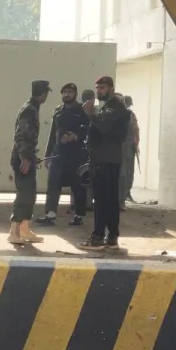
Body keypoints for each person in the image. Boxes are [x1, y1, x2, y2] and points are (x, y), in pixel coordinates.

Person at [78, 75, 130, 251]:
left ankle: (98, 237)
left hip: (106, 159)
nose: (98, 91)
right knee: (109, 199)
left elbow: (104, 127)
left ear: (111, 88)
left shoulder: (114, 107)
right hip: (105, 158)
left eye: (102, 88)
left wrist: (89, 113)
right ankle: (112, 237)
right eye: (97, 88)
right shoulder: (108, 107)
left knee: (101, 199)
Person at [36, 82, 90, 227]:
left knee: (77, 185)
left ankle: (78, 215)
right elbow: (53, 134)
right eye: (64, 92)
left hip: (76, 155)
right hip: (58, 154)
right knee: (53, 182)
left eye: (70, 92)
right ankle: (50, 214)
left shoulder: (82, 111)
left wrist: (76, 136)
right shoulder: (58, 111)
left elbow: (88, 130)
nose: (67, 95)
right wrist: (48, 153)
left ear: (75, 94)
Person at [8, 81, 50, 247]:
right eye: (46, 92)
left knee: (30, 193)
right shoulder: (29, 110)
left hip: (27, 155)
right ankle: (14, 231)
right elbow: (21, 135)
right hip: (22, 157)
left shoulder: (32, 108)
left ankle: (25, 228)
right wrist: (25, 157)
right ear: (43, 93)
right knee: (24, 193)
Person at [120, 95, 141, 208]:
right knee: (123, 174)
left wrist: (135, 144)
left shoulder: (130, 115)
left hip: (130, 148)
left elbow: (135, 131)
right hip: (122, 149)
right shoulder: (123, 116)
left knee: (129, 173)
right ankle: (122, 197)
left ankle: (127, 194)